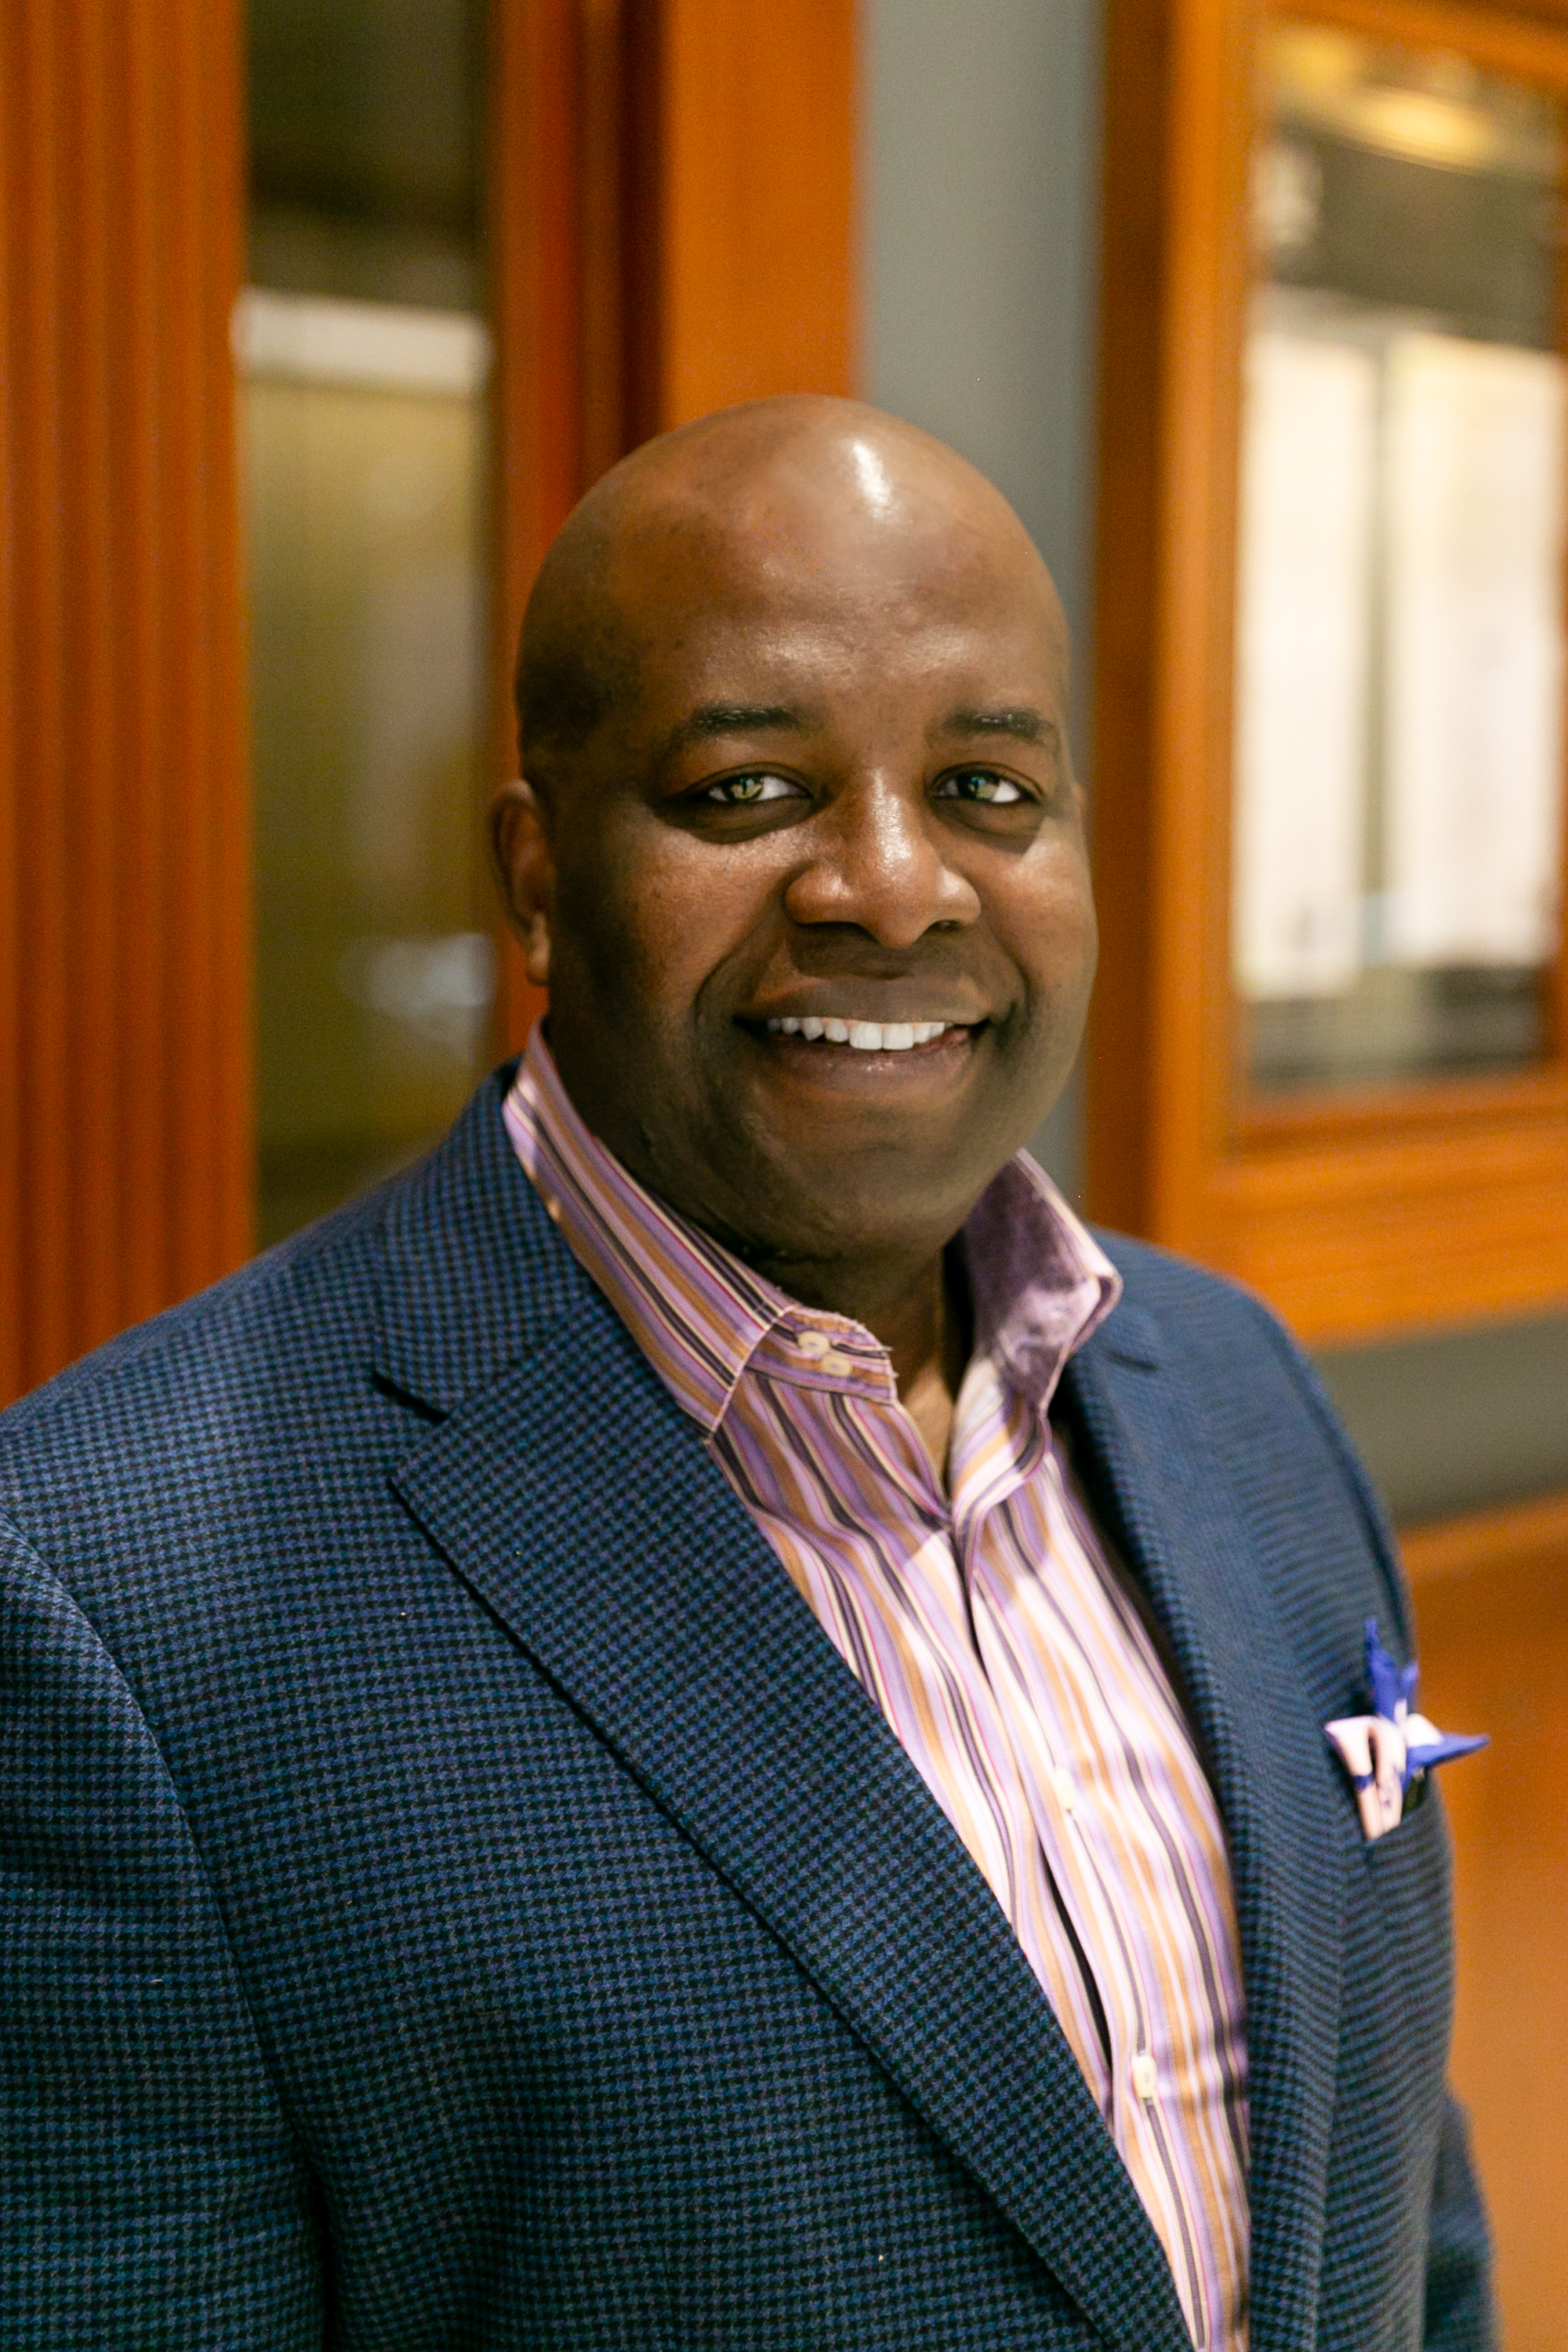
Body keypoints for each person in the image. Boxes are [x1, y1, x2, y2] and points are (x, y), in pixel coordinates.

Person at [1, 397, 1490, 2350]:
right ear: (536, 879)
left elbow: (1407, 2225)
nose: (889, 886)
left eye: (988, 789)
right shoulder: (115, 1599)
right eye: (744, 793)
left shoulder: (1232, 1389)